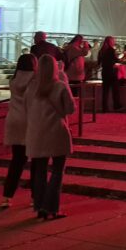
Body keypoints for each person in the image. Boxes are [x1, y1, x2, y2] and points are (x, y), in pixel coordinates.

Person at [26, 54, 75, 220]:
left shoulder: (32, 88)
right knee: (57, 171)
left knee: (39, 171)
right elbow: (70, 108)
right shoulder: (59, 86)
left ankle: (39, 205)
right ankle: (51, 207)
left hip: (37, 132)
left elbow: (27, 108)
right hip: (56, 131)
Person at [1, 54, 37, 209]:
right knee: (36, 162)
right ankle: (35, 196)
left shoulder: (13, 80)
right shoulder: (35, 80)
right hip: (30, 121)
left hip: (14, 119)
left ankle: (7, 196)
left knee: (17, 161)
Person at [98, 35, 122, 112]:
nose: (114, 42)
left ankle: (104, 108)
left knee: (105, 91)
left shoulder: (101, 51)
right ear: (110, 42)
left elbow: (99, 62)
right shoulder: (111, 50)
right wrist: (121, 58)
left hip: (104, 72)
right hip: (112, 72)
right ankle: (117, 106)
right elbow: (116, 60)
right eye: (113, 41)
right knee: (115, 90)